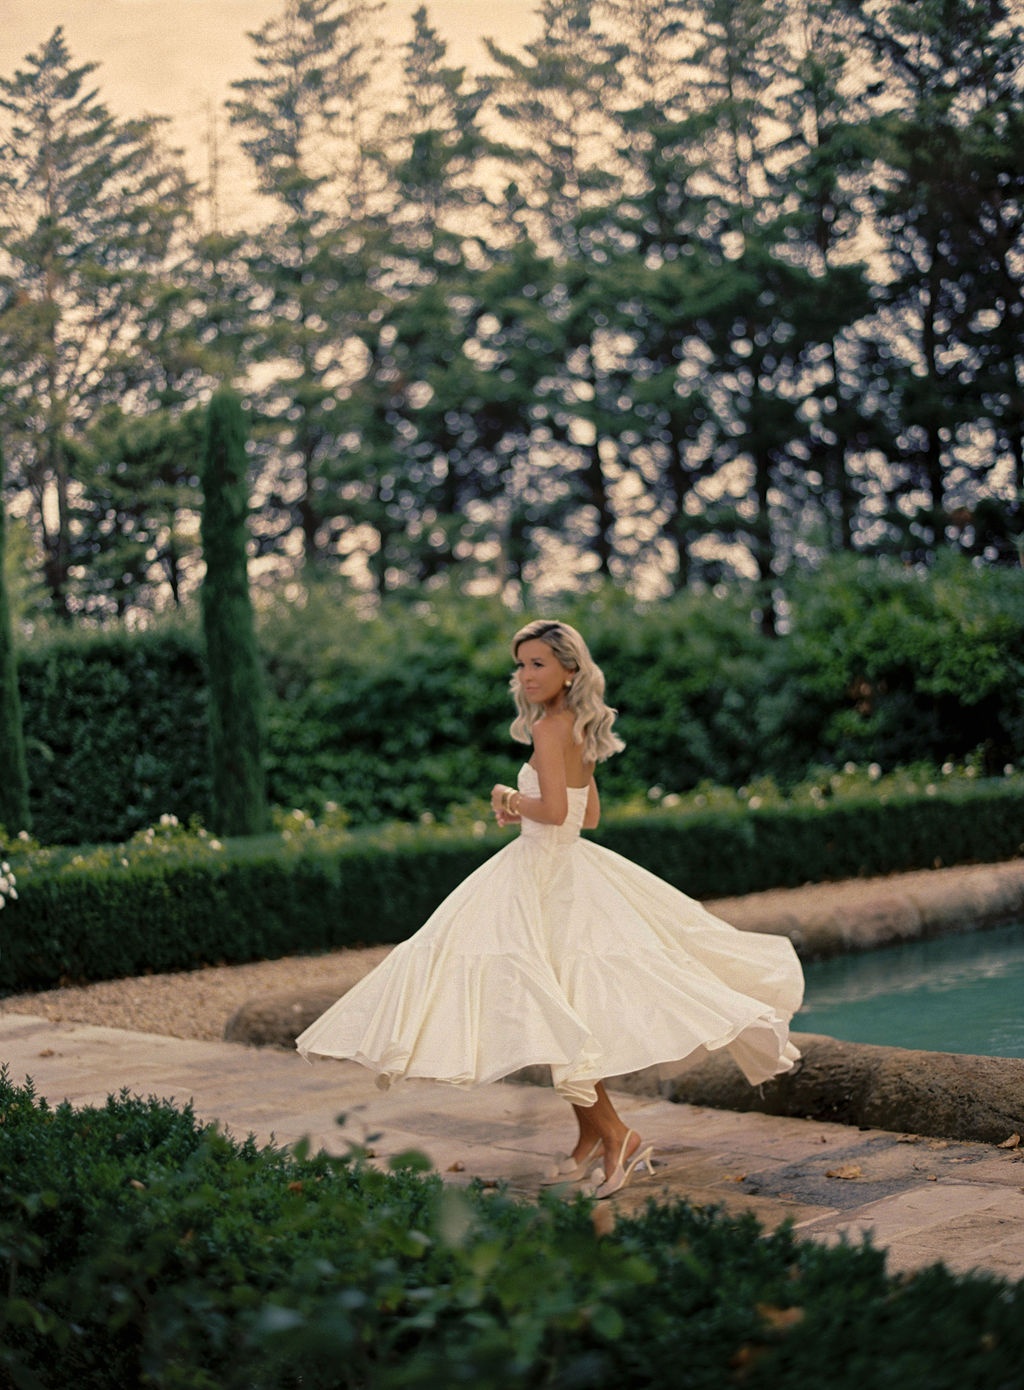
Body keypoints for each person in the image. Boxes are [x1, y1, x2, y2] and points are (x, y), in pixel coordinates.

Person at [297, 619, 804, 1198]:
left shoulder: (547, 728)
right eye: (520, 664)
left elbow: (558, 807)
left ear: (570, 669)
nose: (525, 675)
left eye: (538, 663)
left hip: (543, 878)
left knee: (547, 1013)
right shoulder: (577, 726)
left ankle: (620, 1139)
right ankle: (590, 1139)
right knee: (550, 1008)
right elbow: (588, 818)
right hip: (565, 869)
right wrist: (530, 807)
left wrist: (509, 798)